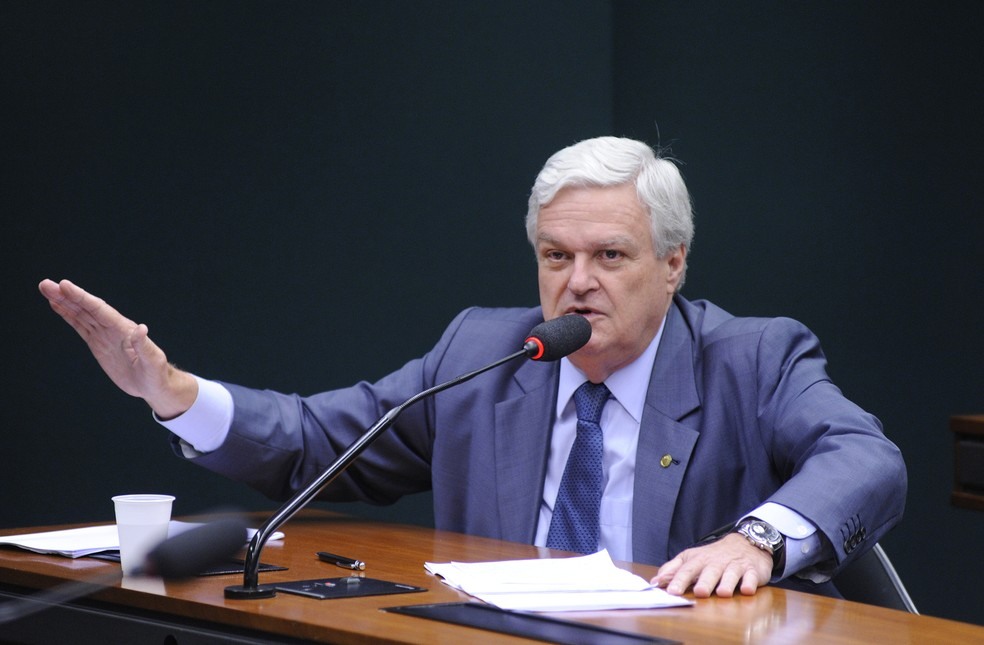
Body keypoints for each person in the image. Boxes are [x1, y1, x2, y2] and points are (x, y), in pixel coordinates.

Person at [39, 136, 906, 599]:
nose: (577, 283)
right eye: (555, 255)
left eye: (609, 255)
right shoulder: (486, 353)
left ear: (673, 264)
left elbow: (866, 459)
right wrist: (172, 390)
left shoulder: (751, 358)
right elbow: (316, 442)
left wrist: (753, 540)